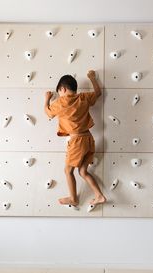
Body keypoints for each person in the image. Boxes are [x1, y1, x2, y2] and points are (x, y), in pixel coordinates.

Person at [44, 70, 106, 210]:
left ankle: (73, 198)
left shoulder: (60, 103)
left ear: (62, 89)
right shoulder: (83, 97)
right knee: (83, 172)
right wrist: (92, 78)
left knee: (68, 171)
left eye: (59, 92)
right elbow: (98, 93)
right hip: (89, 139)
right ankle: (99, 195)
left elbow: (48, 112)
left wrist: (47, 99)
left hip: (77, 141)